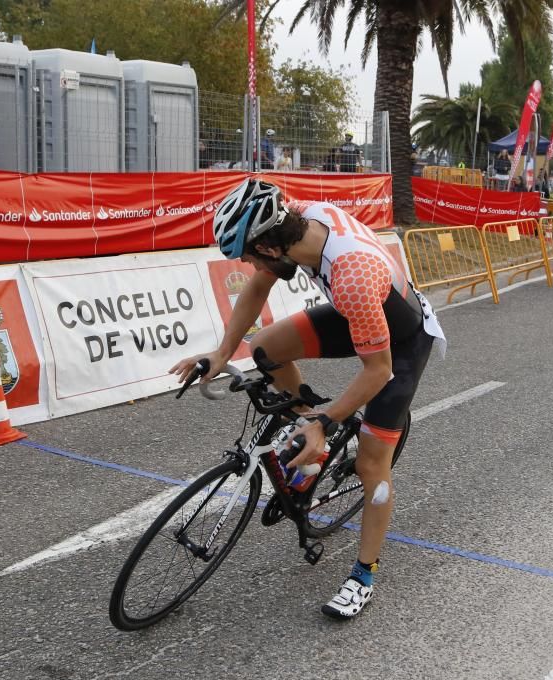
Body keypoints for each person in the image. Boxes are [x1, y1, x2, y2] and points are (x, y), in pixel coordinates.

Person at [171, 179, 446, 619]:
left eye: (245, 254)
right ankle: (311, 430)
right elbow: (257, 288)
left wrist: (325, 422)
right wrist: (222, 353)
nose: (244, 263)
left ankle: (364, 574)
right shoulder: (295, 220)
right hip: (359, 308)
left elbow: (378, 370)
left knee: (371, 464)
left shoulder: (351, 275)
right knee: (266, 349)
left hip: (403, 339)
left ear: (269, 247)